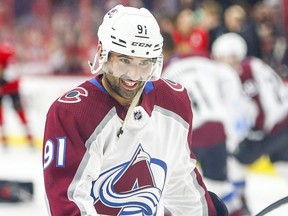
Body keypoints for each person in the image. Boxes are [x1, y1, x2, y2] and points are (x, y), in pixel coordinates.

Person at [42, 5, 227, 216]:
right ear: (103, 53)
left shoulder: (174, 101)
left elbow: (180, 181)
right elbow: (69, 203)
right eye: (124, 60)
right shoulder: (72, 113)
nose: (133, 75)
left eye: (144, 63)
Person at [161, 31, 256, 216]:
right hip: (216, 129)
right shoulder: (201, 58)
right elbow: (230, 79)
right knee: (220, 186)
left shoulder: (159, 71)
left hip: (187, 135)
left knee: (179, 192)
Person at [211, 32, 288, 193]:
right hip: (283, 122)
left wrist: (256, 132)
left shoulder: (242, 71)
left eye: (222, 58)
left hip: (274, 128)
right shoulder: (254, 64)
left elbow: (260, 106)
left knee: (236, 161)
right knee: (282, 164)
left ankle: (240, 205)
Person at [0, 42, 34, 148]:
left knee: (18, 112)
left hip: (8, 86)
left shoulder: (4, 52)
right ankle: (29, 137)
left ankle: (6, 138)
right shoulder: (9, 50)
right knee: (19, 112)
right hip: (12, 86)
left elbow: (5, 70)